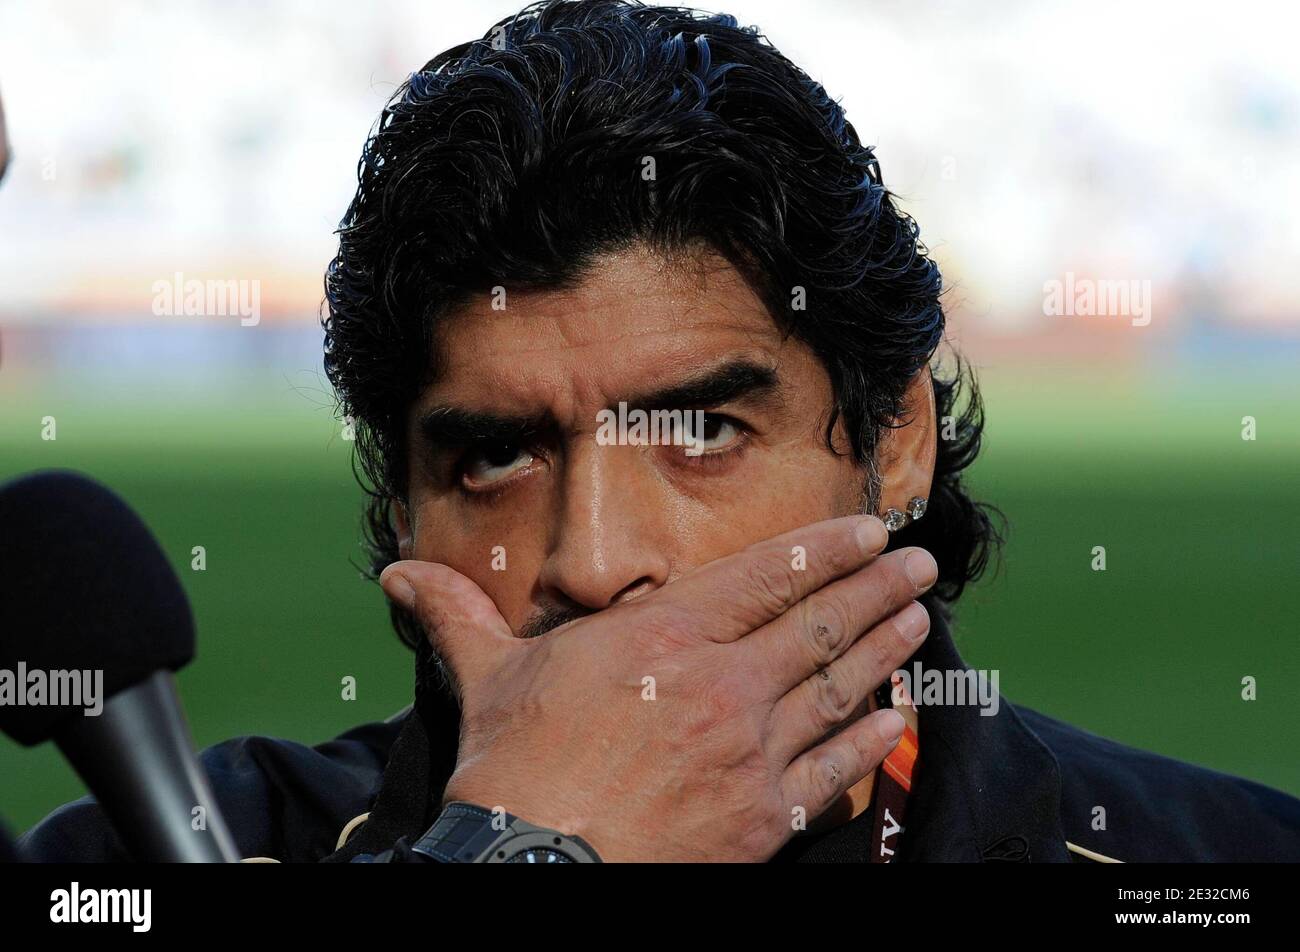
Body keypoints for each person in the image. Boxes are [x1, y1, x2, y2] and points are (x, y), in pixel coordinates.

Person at [22, 0, 1300, 863]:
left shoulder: (1213, 863)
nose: (591, 559)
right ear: (402, 505)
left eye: (700, 429)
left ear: (894, 438)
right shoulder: (156, 856)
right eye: (495, 455)